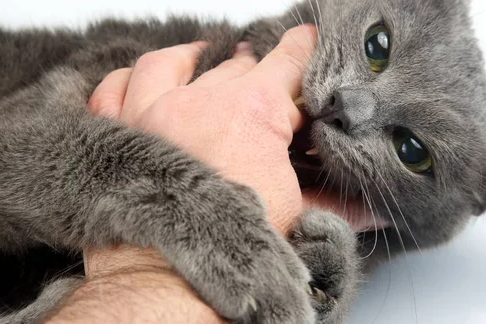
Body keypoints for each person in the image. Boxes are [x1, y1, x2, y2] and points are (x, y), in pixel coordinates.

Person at [45, 25, 332, 323]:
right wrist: (174, 194)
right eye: (376, 47)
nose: (355, 109)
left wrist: (142, 273)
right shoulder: (171, 55)